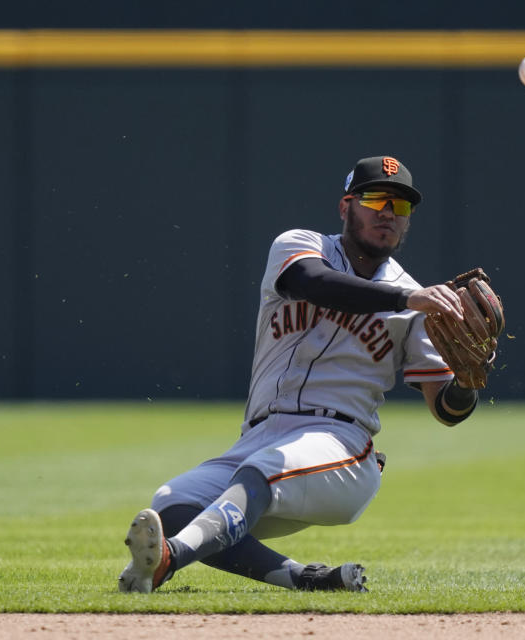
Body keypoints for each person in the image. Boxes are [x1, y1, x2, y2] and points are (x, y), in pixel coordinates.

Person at [118, 155, 483, 593]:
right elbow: (314, 283)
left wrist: (467, 382)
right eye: (374, 199)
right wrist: (409, 300)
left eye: (400, 207)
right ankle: (306, 578)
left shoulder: (416, 303)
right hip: (260, 435)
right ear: (345, 206)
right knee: (173, 503)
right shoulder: (300, 245)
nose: (387, 212)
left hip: (339, 446)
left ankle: (168, 559)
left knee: (264, 470)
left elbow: (446, 409)